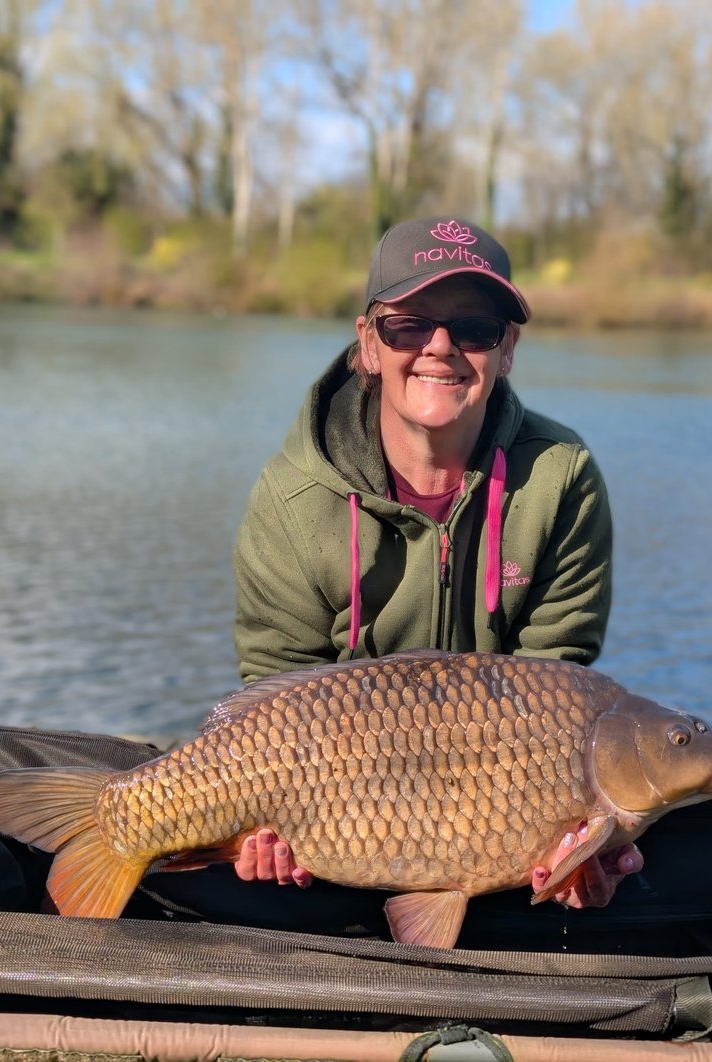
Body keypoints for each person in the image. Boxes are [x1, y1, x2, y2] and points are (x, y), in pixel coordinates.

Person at [228, 216, 641, 910]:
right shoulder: (294, 497)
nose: (440, 349)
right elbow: (278, 690)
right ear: (367, 343)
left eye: (475, 329)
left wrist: (578, 845)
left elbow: (559, 696)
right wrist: (265, 825)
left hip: (496, 810)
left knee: (630, 859)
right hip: (334, 813)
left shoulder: (560, 480)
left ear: (506, 350)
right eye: (409, 326)